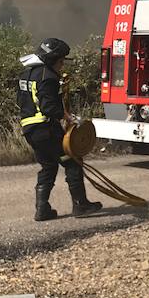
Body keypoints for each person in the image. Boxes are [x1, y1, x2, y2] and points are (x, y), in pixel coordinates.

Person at [17, 38, 101, 221]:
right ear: (53, 59)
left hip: (30, 130)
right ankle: (81, 205)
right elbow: (48, 108)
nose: (62, 65)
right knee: (72, 161)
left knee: (48, 166)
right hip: (45, 129)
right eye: (61, 61)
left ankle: (42, 210)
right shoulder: (48, 77)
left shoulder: (26, 74)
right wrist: (69, 117)